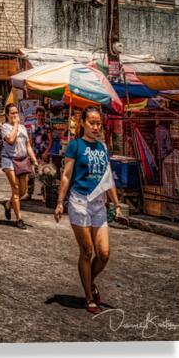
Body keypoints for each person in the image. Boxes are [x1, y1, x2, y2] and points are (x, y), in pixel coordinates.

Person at [55, 107, 123, 315]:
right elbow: (66, 175)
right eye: (91, 122)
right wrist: (60, 201)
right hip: (79, 201)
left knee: (103, 254)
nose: (95, 126)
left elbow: (108, 178)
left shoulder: (103, 147)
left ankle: (89, 281)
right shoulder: (75, 146)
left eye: (98, 123)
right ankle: (89, 296)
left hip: (98, 203)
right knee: (87, 251)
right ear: (83, 123)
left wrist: (117, 204)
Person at [0, 103, 39, 230]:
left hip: (22, 160)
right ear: (7, 115)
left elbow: (27, 146)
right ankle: (19, 218)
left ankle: (8, 204)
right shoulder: (5, 127)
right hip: (9, 160)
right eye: (12, 113)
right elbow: (10, 140)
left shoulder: (23, 128)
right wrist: (15, 125)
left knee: (23, 190)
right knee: (15, 189)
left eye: (16, 112)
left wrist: (34, 161)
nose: (15, 115)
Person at [26, 106, 54, 200]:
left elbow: (51, 141)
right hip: (34, 153)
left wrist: (46, 152)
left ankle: (44, 194)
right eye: (39, 115)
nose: (40, 117)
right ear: (36, 115)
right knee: (31, 174)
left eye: (42, 115)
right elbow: (30, 141)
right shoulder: (32, 127)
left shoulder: (47, 127)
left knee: (44, 174)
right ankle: (29, 193)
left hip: (43, 154)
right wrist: (28, 153)